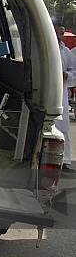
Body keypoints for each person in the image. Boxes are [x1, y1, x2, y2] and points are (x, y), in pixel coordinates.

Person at [55, 24, 76, 170]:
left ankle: (65, 160)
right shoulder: (43, 48)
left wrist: (66, 75)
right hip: (45, 91)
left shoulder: (67, 52)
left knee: (62, 127)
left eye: (61, 33)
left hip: (61, 93)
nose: (59, 36)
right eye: (57, 33)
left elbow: (73, 72)